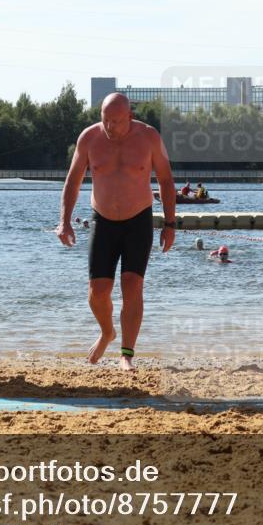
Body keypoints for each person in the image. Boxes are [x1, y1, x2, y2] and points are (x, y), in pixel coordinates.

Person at [56, 93, 176, 371]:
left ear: (130, 117)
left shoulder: (148, 137)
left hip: (138, 219)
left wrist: (170, 224)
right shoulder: (89, 138)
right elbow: (73, 181)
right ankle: (107, 332)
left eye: (116, 122)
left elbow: (166, 180)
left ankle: (127, 354)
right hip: (103, 219)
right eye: (105, 119)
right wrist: (64, 221)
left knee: (132, 286)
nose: (109, 127)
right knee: (97, 292)